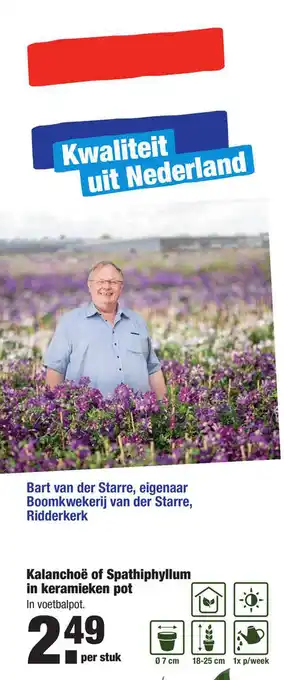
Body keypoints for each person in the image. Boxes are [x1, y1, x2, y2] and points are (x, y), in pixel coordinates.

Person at [44, 261, 167, 399]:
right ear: (90, 285)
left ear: (121, 287)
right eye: (101, 281)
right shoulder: (70, 322)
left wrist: (164, 409)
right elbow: (55, 370)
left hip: (139, 414)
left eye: (113, 282)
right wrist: (56, 411)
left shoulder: (137, 321)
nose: (107, 286)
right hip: (88, 416)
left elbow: (153, 370)